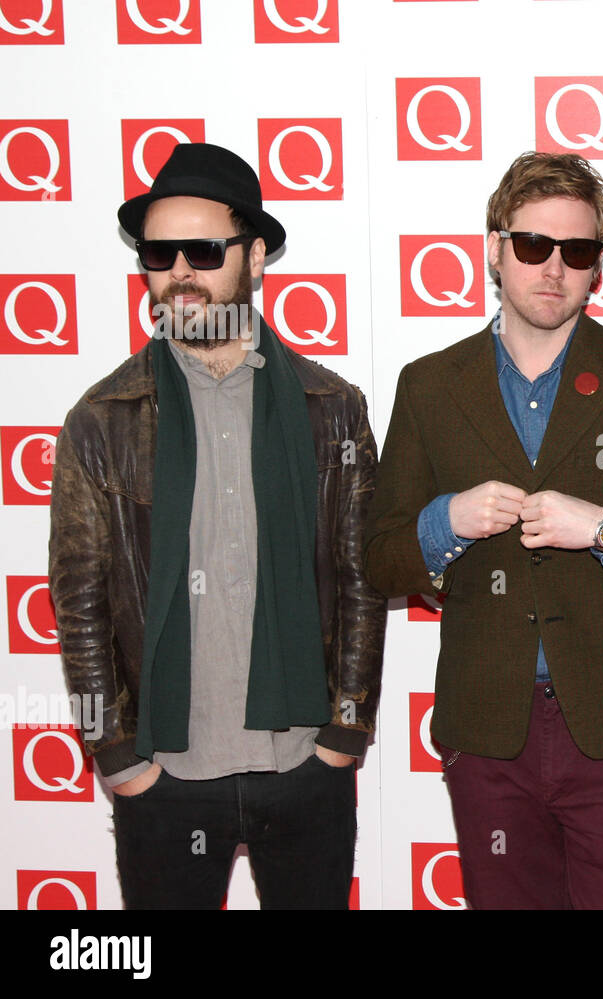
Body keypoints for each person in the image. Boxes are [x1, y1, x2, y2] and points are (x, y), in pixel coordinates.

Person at [363, 151, 603, 909]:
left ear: (599, 266)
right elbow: (378, 558)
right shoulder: (429, 385)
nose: (553, 267)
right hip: (490, 729)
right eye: (532, 245)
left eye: (578, 251)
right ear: (495, 248)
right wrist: (445, 522)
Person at [48, 142, 387, 909]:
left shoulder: (330, 408)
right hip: (166, 775)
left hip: (304, 763)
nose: (179, 272)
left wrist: (344, 733)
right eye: (159, 252)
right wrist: (116, 756)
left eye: (202, 249)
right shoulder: (102, 421)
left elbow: (363, 578)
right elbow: (81, 603)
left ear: (255, 256)